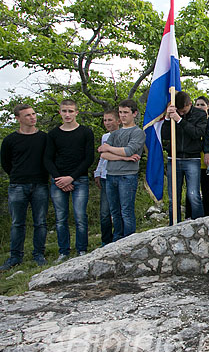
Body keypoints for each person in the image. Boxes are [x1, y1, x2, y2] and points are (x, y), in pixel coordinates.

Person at [0, 104, 49, 271]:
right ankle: (15, 257)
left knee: (40, 222)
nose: (32, 117)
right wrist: (17, 175)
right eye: (27, 115)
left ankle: (39, 255)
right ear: (18, 118)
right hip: (17, 185)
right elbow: (5, 163)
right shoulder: (10, 140)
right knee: (17, 223)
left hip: (40, 184)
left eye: (34, 114)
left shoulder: (44, 138)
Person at [44, 99, 95, 262]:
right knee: (61, 218)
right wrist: (59, 179)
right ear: (60, 112)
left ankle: (81, 250)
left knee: (80, 216)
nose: (67, 114)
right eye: (64, 111)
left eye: (70, 111)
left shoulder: (86, 132)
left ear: (76, 113)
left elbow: (89, 158)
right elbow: (47, 159)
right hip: (58, 181)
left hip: (79, 179)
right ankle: (63, 251)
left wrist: (71, 178)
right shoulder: (53, 134)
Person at [97, 99, 145, 241]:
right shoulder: (114, 134)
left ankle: (129, 240)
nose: (123, 115)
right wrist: (124, 158)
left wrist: (110, 149)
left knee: (126, 211)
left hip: (127, 176)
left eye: (126, 112)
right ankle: (117, 238)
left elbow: (129, 150)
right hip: (111, 175)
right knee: (114, 211)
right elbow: (103, 154)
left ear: (134, 113)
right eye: (120, 112)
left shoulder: (137, 132)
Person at [161, 91, 207, 223]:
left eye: (183, 110)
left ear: (190, 104)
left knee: (193, 195)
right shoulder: (173, 114)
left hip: (192, 158)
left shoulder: (200, 114)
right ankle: (173, 223)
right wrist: (168, 118)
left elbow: (197, 133)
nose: (181, 113)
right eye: (179, 111)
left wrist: (179, 120)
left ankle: (199, 224)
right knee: (173, 197)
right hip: (174, 158)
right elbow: (164, 136)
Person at [94, 109, 120, 246]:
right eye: (105, 120)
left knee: (119, 210)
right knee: (105, 212)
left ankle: (119, 237)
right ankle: (105, 240)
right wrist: (97, 172)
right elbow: (102, 158)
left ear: (118, 121)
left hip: (119, 175)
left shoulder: (124, 135)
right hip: (105, 176)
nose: (107, 123)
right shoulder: (105, 137)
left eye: (110, 120)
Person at [187, 96, 209, 217]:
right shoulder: (192, 121)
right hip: (194, 161)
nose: (200, 107)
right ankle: (189, 215)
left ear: (208, 107)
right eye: (197, 105)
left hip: (208, 163)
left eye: (202, 105)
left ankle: (206, 215)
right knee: (192, 191)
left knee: (207, 190)